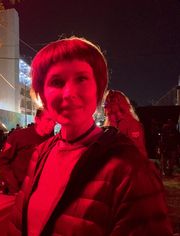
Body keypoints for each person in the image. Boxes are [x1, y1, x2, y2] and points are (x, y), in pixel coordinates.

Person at [9, 37, 172, 235]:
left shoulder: (132, 170)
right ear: (43, 95)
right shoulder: (40, 154)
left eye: (81, 78)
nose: (69, 93)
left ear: (98, 89)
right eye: (57, 82)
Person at [0, 108, 55, 194]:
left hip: (36, 191)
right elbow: (3, 160)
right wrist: (13, 185)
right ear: (37, 119)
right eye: (48, 120)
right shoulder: (18, 136)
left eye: (54, 121)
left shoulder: (52, 141)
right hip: (15, 190)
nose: (52, 125)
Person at [103, 89, 148, 158]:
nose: (106, 107)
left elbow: (138, 151)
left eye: (111, 102)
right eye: (106, 103)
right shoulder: (109, 124)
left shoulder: (132, 124)